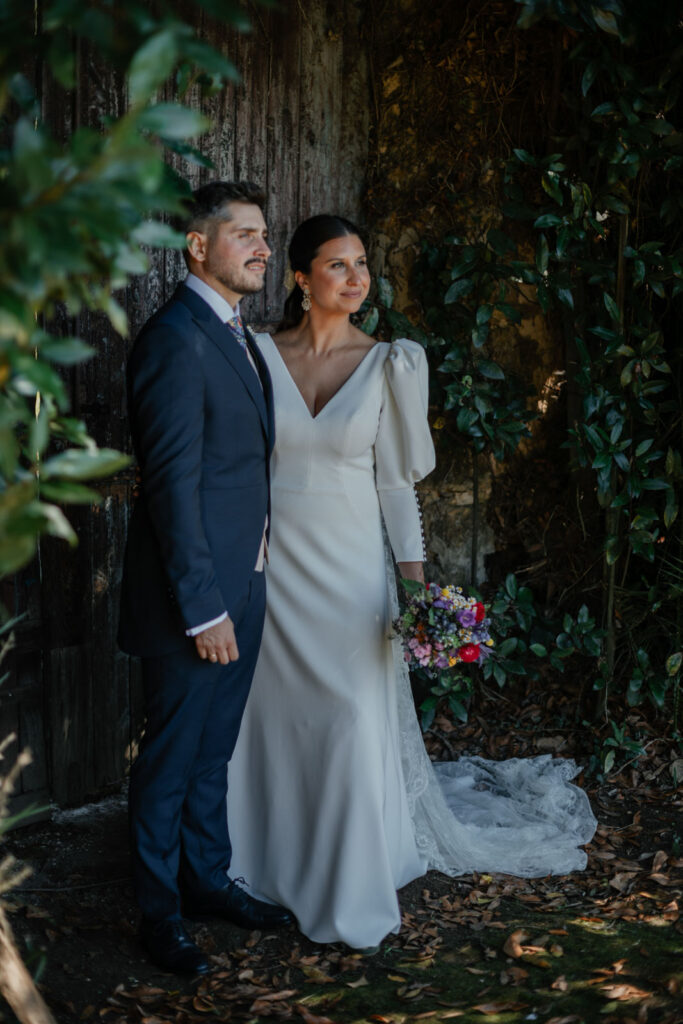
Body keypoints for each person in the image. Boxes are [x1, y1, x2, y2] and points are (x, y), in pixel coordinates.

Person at [227, 214, 598, 950]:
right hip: (273, 567)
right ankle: (256, 865)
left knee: (347, 719)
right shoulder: (255, 354)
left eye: (363, 263)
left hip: (349, 572)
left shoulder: (392, 361)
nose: (357, 278)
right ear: (300, 277)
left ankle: (347, 875)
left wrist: (418, 592)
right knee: (271, 716)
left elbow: (396, 488)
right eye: (338, 265)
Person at [118, 181, 293, 976]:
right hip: (197, 602)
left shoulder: (237, 335)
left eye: (265, 235)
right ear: (197, 245)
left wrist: (243, 585)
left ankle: (207, 880)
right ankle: (158, 916)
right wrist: (202, 611)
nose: (263, 247)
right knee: (171, 755)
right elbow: (171, 486)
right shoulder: (174, 338)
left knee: (211, 751)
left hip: (242, 583)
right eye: (245, 235)